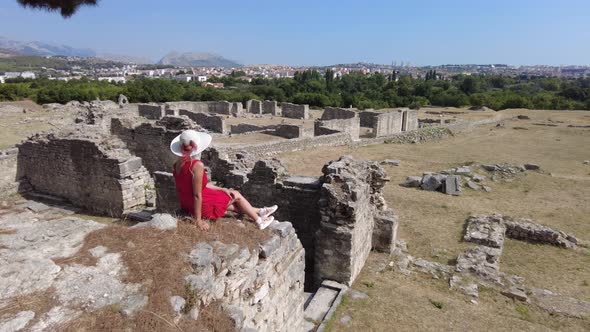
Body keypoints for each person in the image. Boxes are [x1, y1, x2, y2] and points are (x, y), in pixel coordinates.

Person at [170, 130, 277, 231]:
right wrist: (198, 221)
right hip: (201, 204)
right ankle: (259, 221)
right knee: (236, 194)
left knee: (234, 206)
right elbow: (197, 195)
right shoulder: (196, 165)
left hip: (187, 204)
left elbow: (201, 185)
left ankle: (260, 211)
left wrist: (222, 189)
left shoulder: (176, 165)